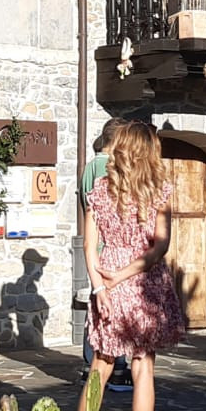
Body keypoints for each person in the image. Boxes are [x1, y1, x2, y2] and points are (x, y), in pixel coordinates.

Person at [84, 120, 186, 411]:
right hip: (143, 281)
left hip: (108, 278)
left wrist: (100, 287)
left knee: (100, 365)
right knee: (143, 366)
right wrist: (125, 275)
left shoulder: (99, 190)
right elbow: (160, 247)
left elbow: (88, 246)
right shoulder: (159, 191)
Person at [80, 120, 132, 389]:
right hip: (108, 250)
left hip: (97, 247)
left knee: (97, 310)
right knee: (110, 312)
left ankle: (94, 363)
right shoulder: (105, 168)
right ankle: (115, 368)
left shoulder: (90, 167)